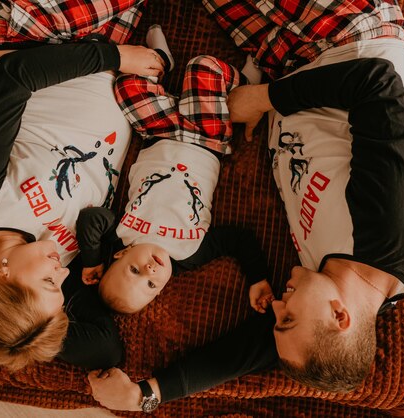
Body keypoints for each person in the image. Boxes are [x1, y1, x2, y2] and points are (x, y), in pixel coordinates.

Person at [87, 0, 404, 412]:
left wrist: (146, 395)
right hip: (343, 35)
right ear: (340, 317)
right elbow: (376, 82)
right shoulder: (393, 228)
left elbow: (245, 353)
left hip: (289, 63)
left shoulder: (339, 298)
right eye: (286, 317)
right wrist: (262, 99)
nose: (276, 305)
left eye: (276, 318)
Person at [0, 0, 167, 372]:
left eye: (48, 281)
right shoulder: (36, 259)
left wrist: (114, 56)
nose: (61, 272)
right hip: (101, 59)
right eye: (60, 287)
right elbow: (104, 349)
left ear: (1, 277)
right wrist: (24, 337)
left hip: (31, 34)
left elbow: (13, 77)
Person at [75, 28, 269, 314]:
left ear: (121, 254)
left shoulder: (123, 234)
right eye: (151, 285)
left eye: (134, 270)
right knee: (203, 66)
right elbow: (240, 241)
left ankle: (162, 62)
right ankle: (246, 83)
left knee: (127, 85)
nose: (150, 270)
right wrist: (257, 279)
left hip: (158, 133)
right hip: (207, 139)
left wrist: (92, 260)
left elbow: (91, 220)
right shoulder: (191, 253)